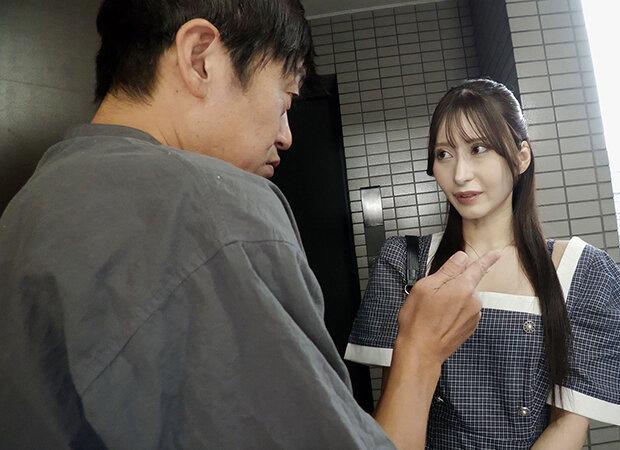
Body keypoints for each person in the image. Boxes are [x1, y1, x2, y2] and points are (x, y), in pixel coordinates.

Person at [0, 2, 500, 449]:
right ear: (201, 58)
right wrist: (421, 352)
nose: (286, 136)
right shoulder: (210, 210)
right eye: (285, 100)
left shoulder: (31, 207)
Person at [345, 79, 620, 449]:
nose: (460, 174)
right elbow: (397, 410)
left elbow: (569, 425)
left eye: (478, 149)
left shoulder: (583, 273)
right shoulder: (405, 264)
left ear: (521, 157)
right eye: (444, 154)